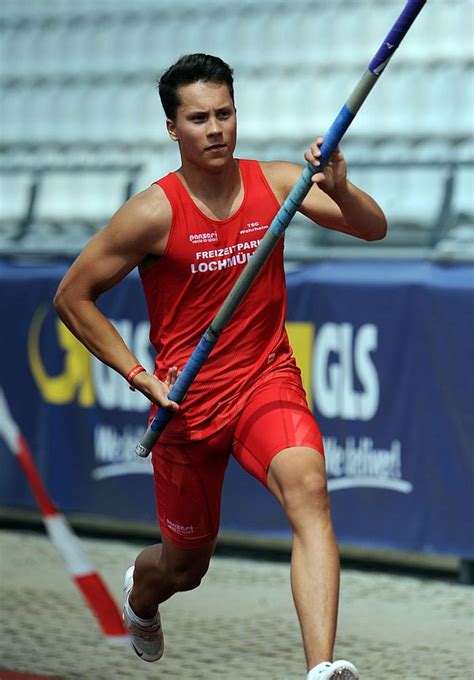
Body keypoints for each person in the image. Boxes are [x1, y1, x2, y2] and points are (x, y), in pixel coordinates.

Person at [54, 53, 387, 680]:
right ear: (173, 129)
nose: (216, 129)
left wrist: (339, 186)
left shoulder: (278, 182)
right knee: (186, 566)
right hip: (186, 404)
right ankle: (141, 593)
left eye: (225, 113)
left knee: (311, 490)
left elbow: (374, 229)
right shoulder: (152, 212)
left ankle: (321, 669)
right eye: (199, 118)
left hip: (265, 379)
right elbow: (72, 297)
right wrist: (137, 374)